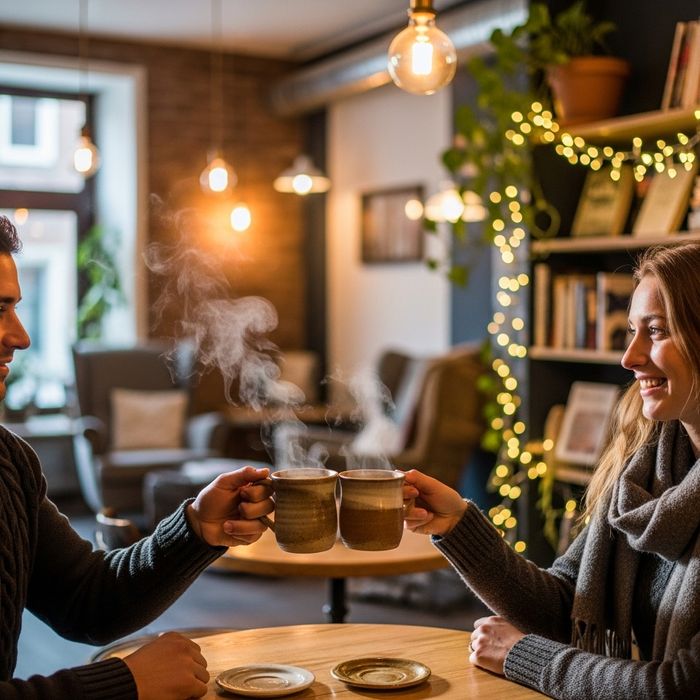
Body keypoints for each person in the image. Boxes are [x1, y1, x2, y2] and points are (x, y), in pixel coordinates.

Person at [403, 241, 700, 698]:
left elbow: (678, 687)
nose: (630, 358)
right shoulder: (647, 463)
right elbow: (566, 604)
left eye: (657, 332)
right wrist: (458, 524)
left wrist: (523, 657)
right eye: (632, 332)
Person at [0, 214, 274, 698]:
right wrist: (123, 684)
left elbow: (85, 600)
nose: (21, 337)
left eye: (15, 309)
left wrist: (196, 529)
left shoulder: (8, 462)